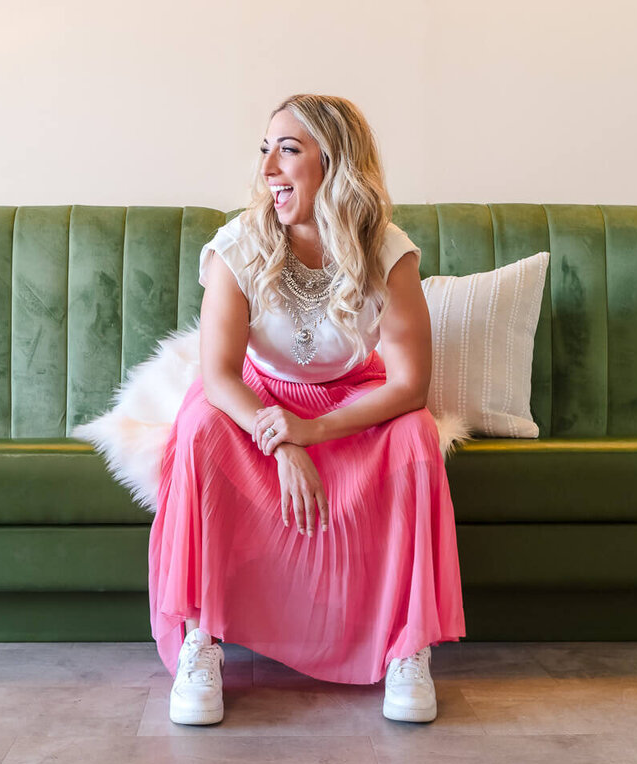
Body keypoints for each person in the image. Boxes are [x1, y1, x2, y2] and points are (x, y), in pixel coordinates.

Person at [148, 93, 465, 725]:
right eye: (266, 149)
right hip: (256, 403)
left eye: (288, 150)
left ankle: (408, 647)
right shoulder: (237, 246)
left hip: (348, 403)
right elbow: (218, 376)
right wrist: (285, 442)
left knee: (416, 435)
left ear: (335, 161)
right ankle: (200, 638)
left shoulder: (389, 253)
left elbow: (409, 386)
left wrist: (314, 429)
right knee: (200, 426)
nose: (268, 168)